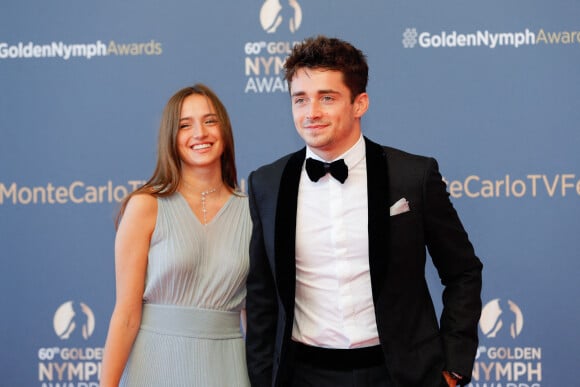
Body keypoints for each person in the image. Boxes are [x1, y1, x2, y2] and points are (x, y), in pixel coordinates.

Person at [245, 36, 483, 387]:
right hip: (302, 375)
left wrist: (453, 367)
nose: (311, 113)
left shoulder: (412, 177)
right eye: (300, 100)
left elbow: (463, 272)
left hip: (400, 375)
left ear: (360, 104)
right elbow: (262, 294)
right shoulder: (267, 183)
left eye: (327, 98)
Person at [100, 84, 251, 387]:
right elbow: (126, 315)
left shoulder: (252, 211)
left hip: (228, 367)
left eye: (210, 121)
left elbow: (255, 316)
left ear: (225, 129)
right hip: (156, 366)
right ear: (171, 136)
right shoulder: (146, 206)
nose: (200, 133)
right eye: (185, 125)